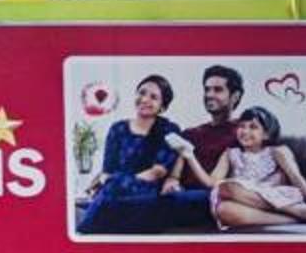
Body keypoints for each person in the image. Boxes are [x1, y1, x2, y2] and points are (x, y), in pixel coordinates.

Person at [75, 73, 214, 234]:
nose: (145, 99)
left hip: (148, 190)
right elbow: (107, 170)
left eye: (153, 97)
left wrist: (118, 182)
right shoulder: (117, 128)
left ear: (162, 107)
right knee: (107, 193)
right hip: (115, 188)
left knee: (111, 194)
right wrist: (110, 181)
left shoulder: (168, 129)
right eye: (142, 93)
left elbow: (157, 172)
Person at [210, 107, 306, 228]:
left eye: (253, 127)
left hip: (273, 195)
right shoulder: (232, 153)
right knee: (223, 208)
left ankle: (301, 211)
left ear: (266, 135)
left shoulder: (277, 151)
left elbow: (296, 177)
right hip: (246, 203)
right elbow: (213, 181)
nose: (245, 131)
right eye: (242, 126)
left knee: (228, 189)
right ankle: (294, 219)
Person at [181, 65, 244, 177]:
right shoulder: (190, 134)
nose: (209, 95)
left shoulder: (244, 133)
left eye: (218, 90)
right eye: (207, 89)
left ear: (235, 96)